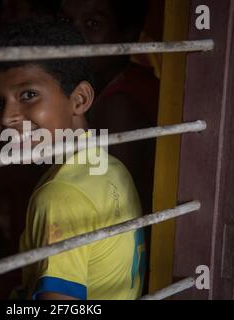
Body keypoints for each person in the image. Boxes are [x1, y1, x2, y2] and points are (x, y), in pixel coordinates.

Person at [0, 17, 146, 300]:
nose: (7, 117)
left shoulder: (60, 196)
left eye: (28, 94)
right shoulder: (109, 166)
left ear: (80, 99)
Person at [60, 0, 159, 215]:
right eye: (66, 21)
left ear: (129, 35)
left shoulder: (119, 105)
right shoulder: (105, 85)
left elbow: (114, 202)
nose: (74, 36)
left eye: (93, 23)